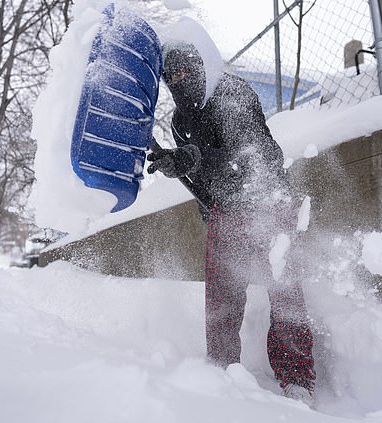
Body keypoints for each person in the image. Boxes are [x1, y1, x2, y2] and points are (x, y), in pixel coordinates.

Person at [147, 41, 316, 404]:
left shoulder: (231, 93)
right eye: (170, 77)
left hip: (268, 200)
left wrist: (194, 158)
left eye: (185, 72)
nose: (179, 81)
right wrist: (181, 168)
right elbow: (201, 177)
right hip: (227, 209)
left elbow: (254, 159)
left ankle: (296, 379)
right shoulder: (180, 121)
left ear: (202, 67)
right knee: (221, 298)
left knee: (284, 293)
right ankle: (222, 376)